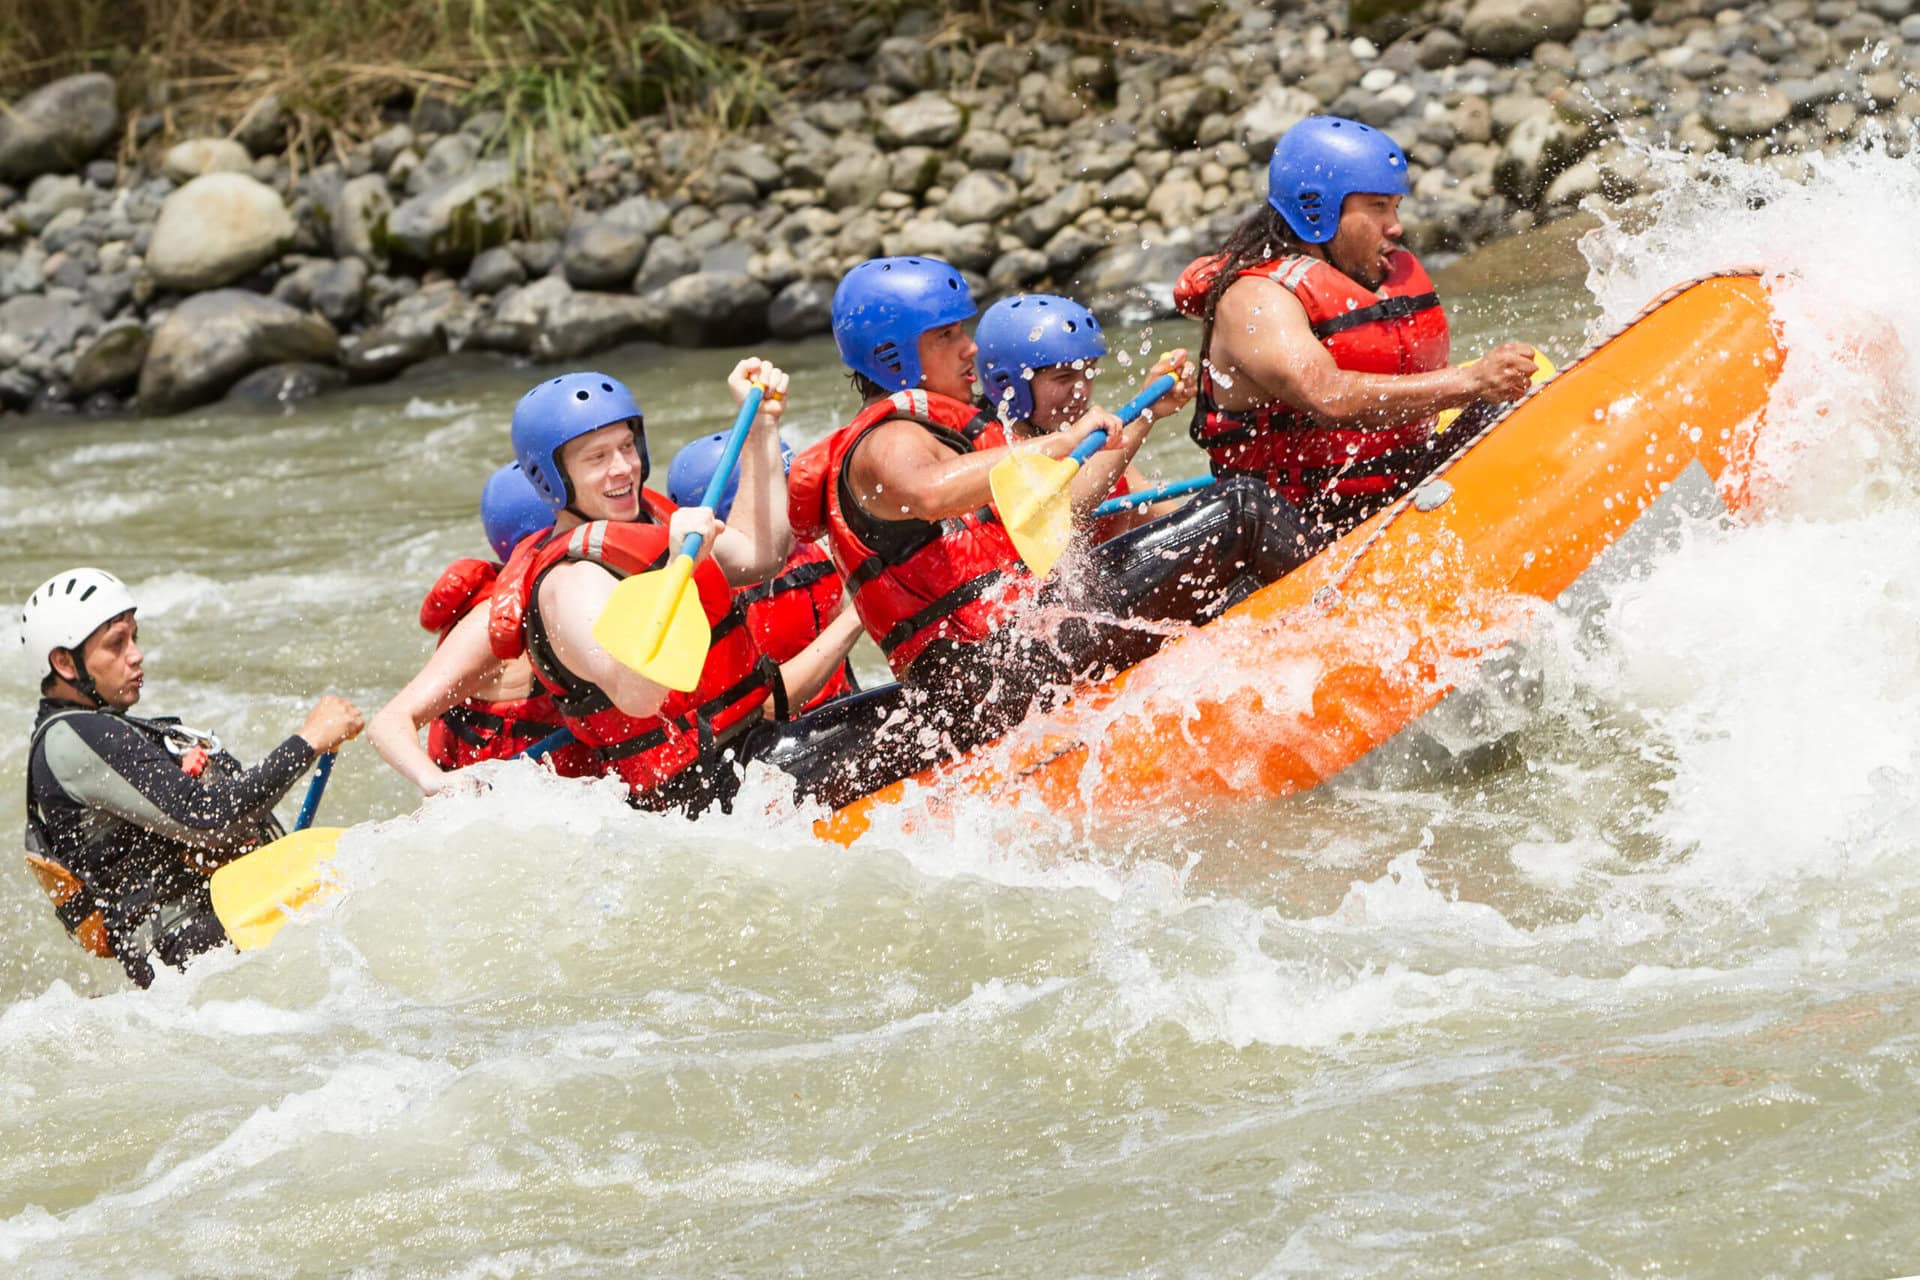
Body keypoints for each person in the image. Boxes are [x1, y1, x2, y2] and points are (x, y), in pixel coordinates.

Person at [763, 257, 1328, 810]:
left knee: (1222, 585)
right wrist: (1057, 442)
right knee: (1242, 508)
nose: (970, 349)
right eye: (948, 336)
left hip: (1002, 670)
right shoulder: (885, 442)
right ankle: (1347, 610)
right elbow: (930, 490)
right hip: (994, 673)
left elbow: (1067, 511)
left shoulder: (944, 435)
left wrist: (1142, 418)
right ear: (892, 356)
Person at [484, 364, 865, 815]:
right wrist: (677, 569)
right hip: (700, 795)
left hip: (755, 754)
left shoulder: (651, 521)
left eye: (626, 446)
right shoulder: (571, 585)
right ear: (551, 476)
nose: (623, 468)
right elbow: (638, 697)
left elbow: (761, 557)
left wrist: (763, 426)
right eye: (597, 458)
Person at [1175, 115, 1538, 535]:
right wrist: (1471, 381)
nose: (1395, 226)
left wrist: (1489, 388)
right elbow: (1327, 397)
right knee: (1244, 506)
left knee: (1512, 405)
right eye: (1378, 207)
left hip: (1395, 496)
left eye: (1395, 207)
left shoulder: (1374, 282)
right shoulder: (1257, 299)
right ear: (1318, 210)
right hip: (1296, 536)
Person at [21, 567, 362, 987]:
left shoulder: (86, 730)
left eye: (134, 637)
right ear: (63, 662)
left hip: (207, 940)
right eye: (116, 643)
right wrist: (309, 739)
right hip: (190, 951)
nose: (135, 655)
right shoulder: (72, 738)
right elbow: (211, 820)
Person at [369, 462, 596, 789]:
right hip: (496, 813)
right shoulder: (495, 622)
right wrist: (435, 782)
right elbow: (388, 723)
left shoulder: (582, 598)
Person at [667, 431, 860, 714]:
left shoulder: (808, 550)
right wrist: (861, 611)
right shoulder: (719, 597)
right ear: (735, 514)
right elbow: (766, 707)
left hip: (839, 710)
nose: (799, 503)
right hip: (771, 745)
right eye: (783, 495)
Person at [974, 292, 1187, 542]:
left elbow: (1169, 520)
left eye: (1089, 373)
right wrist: (1144, 416)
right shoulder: (982, 451)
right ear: (1007, 384)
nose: (1081, 391)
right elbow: (1064, 512)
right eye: (1064, 377)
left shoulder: (1089, 437)